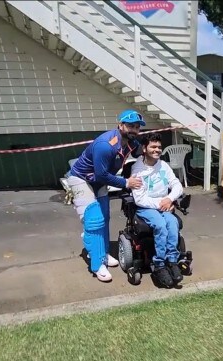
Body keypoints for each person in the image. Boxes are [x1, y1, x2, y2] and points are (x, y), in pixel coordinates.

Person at [67, 109, 145, 282]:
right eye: (130, 125)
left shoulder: (132, 142)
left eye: (137, 127)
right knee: (94, 219)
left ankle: (101, 252)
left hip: (98, 180)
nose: (134, 130)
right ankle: (97, 264)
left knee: (104, 216)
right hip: (81, 179)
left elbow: (142, 156)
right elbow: (101, 175)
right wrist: (126, 182)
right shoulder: (106, 144)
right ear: (120, 125)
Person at [130, 132, 185, 287]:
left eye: (159, 147)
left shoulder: (163, 165)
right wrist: (163, 203)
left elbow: (176, 185)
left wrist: (169, 199)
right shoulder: (137, 170)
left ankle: (172, 261)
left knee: (172, 223)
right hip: (145, 207)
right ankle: (159, 264)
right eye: (153, 146)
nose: (157, 150)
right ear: (144, 148)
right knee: (160, 225)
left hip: (163, 204)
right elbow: (139, 198)